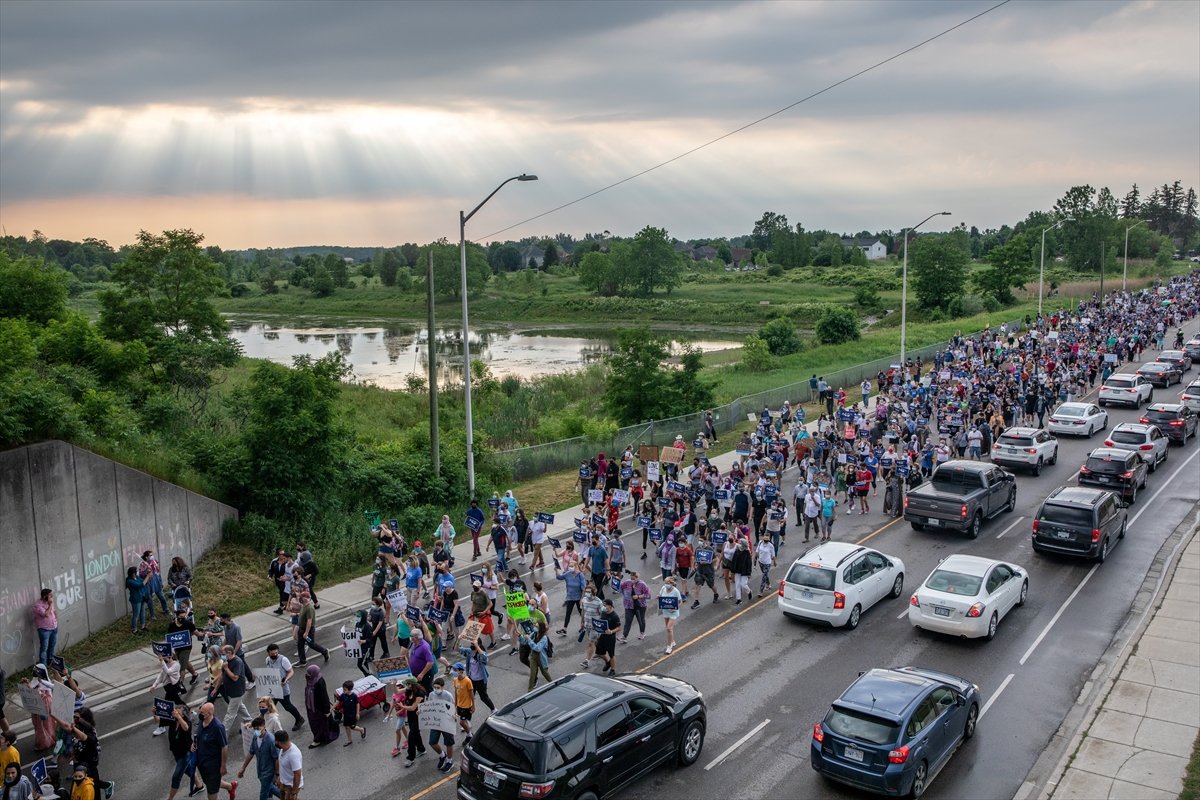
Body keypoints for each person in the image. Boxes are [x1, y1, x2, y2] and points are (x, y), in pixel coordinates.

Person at [192, 702, 236, 800]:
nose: (200, 713)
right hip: (201, 763)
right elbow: (197, 735)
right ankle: (230, 786)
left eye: (202, 712)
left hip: (213, 766)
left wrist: (223, 766)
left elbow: (224, 747)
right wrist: (193, 744)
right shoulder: (201, 722)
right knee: (210, 782)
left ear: (209, 713)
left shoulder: (218, 727)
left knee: (211, 793)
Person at [263, 644, 305, 731]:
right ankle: (267, 726)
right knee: (268, 706)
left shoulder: (283, 660)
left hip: (282, 689)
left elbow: (291, 671)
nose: (274, 655)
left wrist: (285, 679)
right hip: (273, 689)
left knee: (287, 706)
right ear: (268, 653)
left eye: (276, 653)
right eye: (272, 653)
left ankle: (299, 719)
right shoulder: (267, 660)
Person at [237, 717, 279, 800]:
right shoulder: (255, 737)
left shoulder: (271, 740)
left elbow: (276, 758)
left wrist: (277, 775)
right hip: (260, 771)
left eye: (258, 728)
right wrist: (243, 768)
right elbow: (251, 753)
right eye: (254, 728)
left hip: (269, 772)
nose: (256, 730)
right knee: (270, 789)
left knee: (263, 795)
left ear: (264, 726)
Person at [425, 677, 457, 774]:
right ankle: (442, 755)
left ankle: (449, 761)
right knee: (432, 742)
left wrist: (453, 716)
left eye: (438, 687)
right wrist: (421, 712)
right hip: (436, 722)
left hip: (446, 722)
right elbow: (428, 706)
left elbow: (452, 707)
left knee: (449, 743)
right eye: (434, 687)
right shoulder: (431, 694)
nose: (436, 689)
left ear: (443, 687)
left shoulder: (448, 695)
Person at [301, 666, 338, 749]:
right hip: (311, 706)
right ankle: (320, 737)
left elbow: (324, 696)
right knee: (315, 722)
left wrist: (326, 710)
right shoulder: (311, 679)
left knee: (318, 723)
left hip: (319, 707)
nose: (307, 674)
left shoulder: (319, 681)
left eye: (308, 673)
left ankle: (318, 739)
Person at [218, 645, 253, 731]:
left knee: (230, 714)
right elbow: (222, 675)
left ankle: (223, 732)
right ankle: (249, 720)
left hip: (237, 691)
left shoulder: (237, 662)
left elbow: (235, 677)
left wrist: (226, 668)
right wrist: (216, 688)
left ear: (229, 653)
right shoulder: (225, 661)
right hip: (230, 691)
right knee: (240, 706)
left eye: (222, 654)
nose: (221, 656)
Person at [150, 649, 185, 736]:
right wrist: (154, 685)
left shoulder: (176, 665)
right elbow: (161, 675)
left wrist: (162, 662)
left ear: (169, 656)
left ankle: (161, 726)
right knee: (178, 702)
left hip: (173, 687)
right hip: (168, 688)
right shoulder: (165, 664)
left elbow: (168, 672)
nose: (162, 658)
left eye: (164, 657)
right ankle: (190, 713)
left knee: (165, 706)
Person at [220, 612, 255, 685]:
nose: (220, 621)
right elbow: (226, 638)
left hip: (237, 652)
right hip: (229, 652)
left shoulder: (236, 627)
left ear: (226, 619)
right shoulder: (225, 627)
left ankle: (251, 681)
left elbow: (239, 641)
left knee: (244, 667)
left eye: (222, 619)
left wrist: (234, 653)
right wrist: (222, 647)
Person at [167, 608, 200, 685]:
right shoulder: (172, 625)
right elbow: (169, 637)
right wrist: (171, 650)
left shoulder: (188, 623)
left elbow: (197, 633)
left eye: (184, 617)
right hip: (177, 647)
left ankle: (180, 684)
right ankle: (195, 674)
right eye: (181, 617)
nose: (183, 619)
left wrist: (204, 634)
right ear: (177, 616)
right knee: (184, 661)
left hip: (186, 647)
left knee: (182, 667)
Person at [400, 678, 428, 767]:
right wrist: (393, 682)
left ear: (411, 684)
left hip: (418, 716)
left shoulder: (420, 693)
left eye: (407, 684)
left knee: (411, 736)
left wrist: (402, 706)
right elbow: (397, 691)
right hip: (411, 716)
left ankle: (410, 757)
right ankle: (422, 749)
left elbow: (413, 707)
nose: (406, 686)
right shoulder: (409, 690)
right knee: (416, 734)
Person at [553, 561, 585, 635]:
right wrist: (556, 571)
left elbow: (583, 588)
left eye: (572, 566)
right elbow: (559, 577)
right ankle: (564, 629)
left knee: (581, 613)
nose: (570, 568)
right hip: (570, 597)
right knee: (568, 613)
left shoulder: (580, 575)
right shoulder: (567, 574)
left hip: (578, 597)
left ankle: (584, 626)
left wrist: (581, 599)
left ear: (576, 566)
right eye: (569, 566)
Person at [295, 596, 328, 666]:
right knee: (300, 644)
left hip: (308, 630)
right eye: (304, 597)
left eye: (307, 597)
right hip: (301, 629)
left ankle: (324, 651)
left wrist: (306, 633)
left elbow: (309, 621)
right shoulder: (303, 606)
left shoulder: (309, 608)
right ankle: (302, 661)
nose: (305, 598)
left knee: (311, 644)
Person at [519, 622, 552, 691]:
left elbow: (538, 648)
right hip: (533, 657)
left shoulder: (544, 638)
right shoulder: (534, 634)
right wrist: (520, 636)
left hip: (541, 658)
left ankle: (553, 683)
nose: (534, 627)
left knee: (545, 673)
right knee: (532, 675)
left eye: (536, 626)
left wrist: (529, 639)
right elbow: (524, 642)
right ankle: (529, 690)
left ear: (540, 628)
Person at [618, 571, 650, 642]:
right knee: (628, 621)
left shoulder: (642, 584)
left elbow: (648, 595)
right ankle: (624, 636)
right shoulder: (627, 582)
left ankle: (642, 633)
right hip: (629, 606)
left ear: (637, 578)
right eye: (631, 578)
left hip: (640, 606)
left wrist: (638, 596)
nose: (632, 580)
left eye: (634, 579)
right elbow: (620, 588)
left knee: (641, 620)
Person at [140, 549, 170, 616]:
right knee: (149, 600)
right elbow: (141, 574)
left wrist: (160, 582)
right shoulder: (143, 564)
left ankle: (166, 609)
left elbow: (158, 572)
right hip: (148, 584)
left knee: (162, 597)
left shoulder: (154, 562)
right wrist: (146, 572)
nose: (152, 556)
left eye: (152, 555)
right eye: (150, 555)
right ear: (146, 557)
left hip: (156, 582)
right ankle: (152, 615)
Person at [449, 663, 475, 741]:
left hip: (466, 706)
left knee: (461, 722)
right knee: (465, 721)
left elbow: (472, 694)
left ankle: (469, 735)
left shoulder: (467, 681)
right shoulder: (455, 680)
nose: (454, 672)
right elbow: (456, 692)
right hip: (460, 705)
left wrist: (473, 706)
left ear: (461, 671)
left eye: (455, 670)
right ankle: (468, 726)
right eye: (453, 670)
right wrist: (455, 704)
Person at [336, 681, 366, 746]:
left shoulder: (354, 696)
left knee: (352, 727)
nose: (343, 691)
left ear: (350, 689)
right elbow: (337, 702)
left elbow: (357, 704)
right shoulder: (343, 695)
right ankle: (349, 740)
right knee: (346, 727)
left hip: (352, 715)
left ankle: (361, 729)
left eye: (345, 690)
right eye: (343, 689)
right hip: (346, 715)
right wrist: (331, 709)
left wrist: (357, 713)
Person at [658, 576, 683, 655]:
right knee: (668, 628)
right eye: (665, 583)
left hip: (673, 612)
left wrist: (675, 608)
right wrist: (658, 597)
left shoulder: (676, 591)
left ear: (672, 583)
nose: (666, 585)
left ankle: (669, 646)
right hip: (665, 610)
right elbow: (660, 596)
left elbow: (681, 602)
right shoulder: (663, 588)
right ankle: (672, 641)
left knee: (669, 628)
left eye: (668, 583)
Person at [33, 589, 58, 667]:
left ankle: (50, 661)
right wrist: (50, 605)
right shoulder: (38, 605)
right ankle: (43, 666)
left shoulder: (49, 602)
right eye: (50, 595)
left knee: (52, 646)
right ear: (45, 596)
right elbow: (46, 614)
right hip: (44, 630)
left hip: (54, 628)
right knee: (44, 648)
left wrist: (56, 621)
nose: (52, 596)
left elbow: (53, 612)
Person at [275, 730, 302, 800]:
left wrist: (293, 792)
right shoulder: (283, 749)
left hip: (291, 786)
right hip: (284, 783)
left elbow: (297, 774)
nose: (275, 743)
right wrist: (279, 776)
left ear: (280, 742)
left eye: (276, 741)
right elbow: (280, 761)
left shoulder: (293, 755)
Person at [125, 567, 148, 635]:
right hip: (135, 599)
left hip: (142, 597)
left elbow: (142, 581)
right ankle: (134, 629)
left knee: (142, 612)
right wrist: (148, 576)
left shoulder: (137, 577)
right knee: (136, 614)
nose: (137, 572)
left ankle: (143, 626)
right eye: (136, 571)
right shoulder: (129, 581)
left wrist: (147, 577)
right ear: (133, 573)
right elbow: (140, 585)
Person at [731, 539, 753, 605]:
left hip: (744, 571)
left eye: (740, 543)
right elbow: (734, 561)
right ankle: (739, 599)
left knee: (743, 584)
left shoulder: (747, 552)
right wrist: (732, 570)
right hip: (737, 570)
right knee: (737, 584)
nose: (738, 544)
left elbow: (749, 563)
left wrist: (749, 573)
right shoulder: (737, 551)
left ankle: (749, 591)